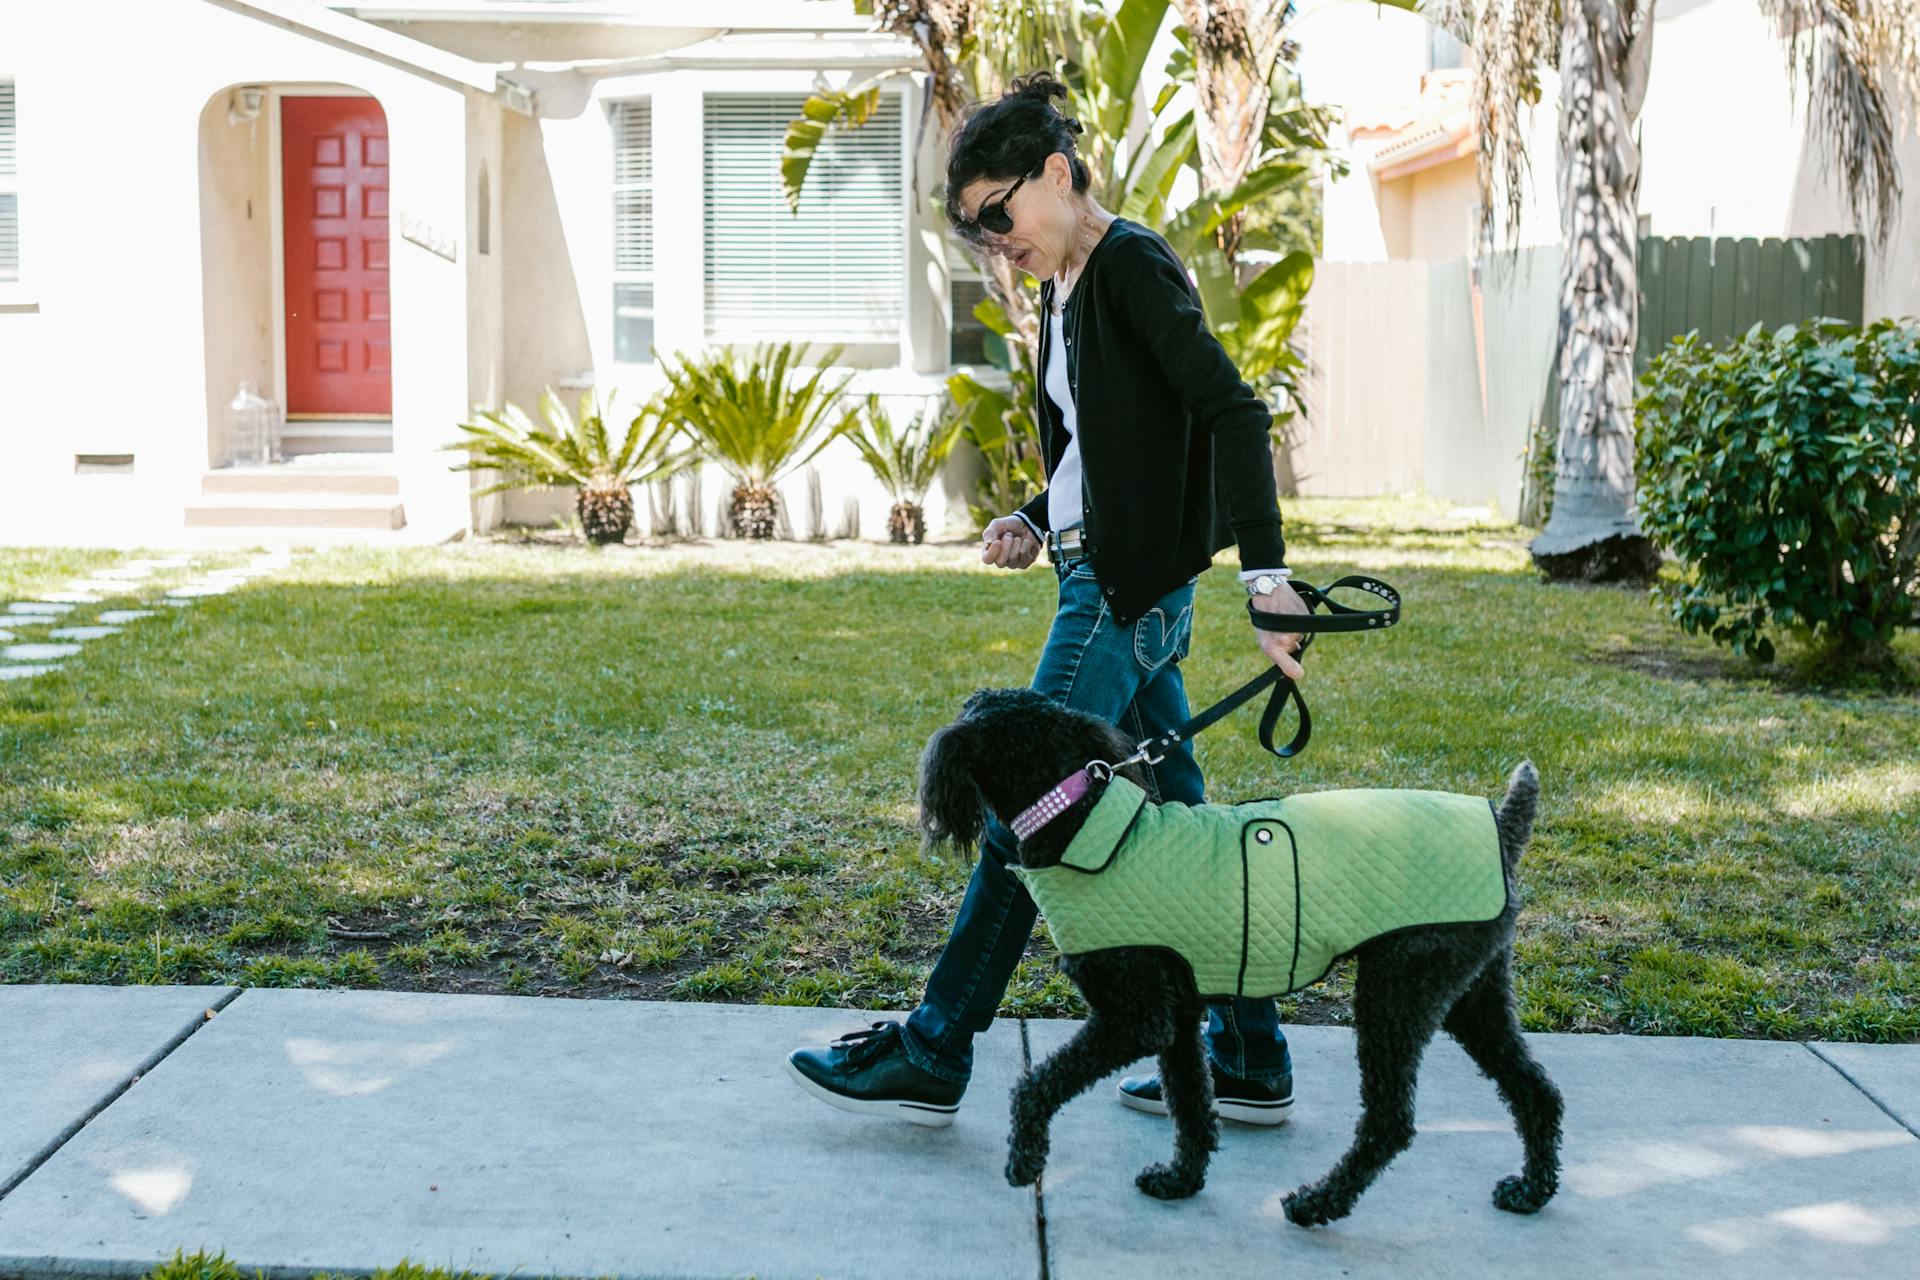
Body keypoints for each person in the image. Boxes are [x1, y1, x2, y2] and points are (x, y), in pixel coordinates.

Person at [786, 71, 1309, 1129]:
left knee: (1023, 800)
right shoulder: (1067, 286)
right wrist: (1037, 511)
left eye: (998, 213)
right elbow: (1113, 442)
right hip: (1113, 582)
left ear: (1058, 174)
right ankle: (1250, 1051)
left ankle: (936, 1046)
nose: (992, 240)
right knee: (1183, 824)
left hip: (1118, 598)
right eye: (975, 228)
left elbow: (1231, 412)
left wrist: (1267, 574)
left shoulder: (1127, 268)